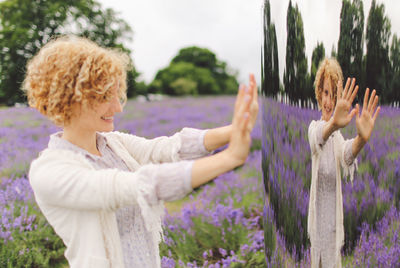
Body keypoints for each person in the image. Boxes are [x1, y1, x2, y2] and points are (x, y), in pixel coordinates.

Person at [22, 35, 258, 268]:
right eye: (105, 97)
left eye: (117, 94)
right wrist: (228, 158)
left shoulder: (114, 144)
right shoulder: (49, 172)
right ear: (70, 99)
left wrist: (237, 128)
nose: (117, 107)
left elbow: (167, 149)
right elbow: (137, 186)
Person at [307, 58, 380, 268]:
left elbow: (347, 155)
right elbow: (317, 139)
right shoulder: (314, 127)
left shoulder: (337, 138)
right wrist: (332, 124)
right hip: (317, 230)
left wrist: (361, 139)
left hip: (333, 229)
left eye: (334, 95)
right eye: (326, 93)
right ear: (319, 94)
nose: (330, 101)